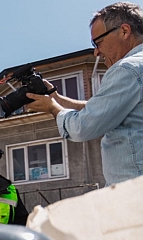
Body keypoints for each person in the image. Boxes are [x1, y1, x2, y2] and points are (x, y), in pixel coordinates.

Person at [26, 2, 143, 185]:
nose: (96, 52)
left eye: (98, 42)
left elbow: (83, 128)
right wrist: (57, 99)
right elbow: (106, 108)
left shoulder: (127, 69)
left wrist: (53, 109)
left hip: (134, 192)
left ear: (124, 31)